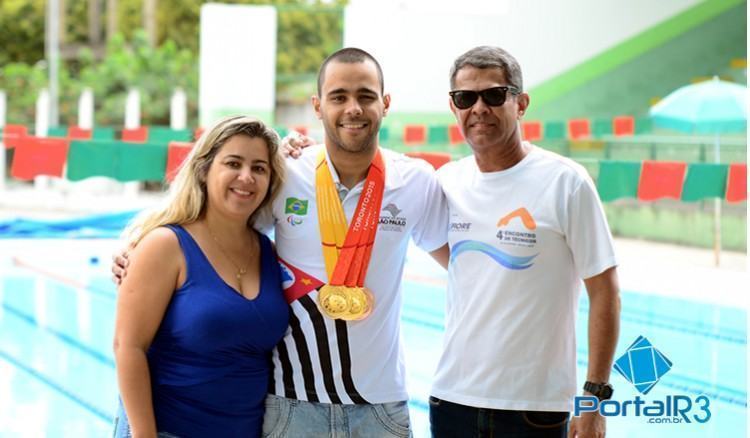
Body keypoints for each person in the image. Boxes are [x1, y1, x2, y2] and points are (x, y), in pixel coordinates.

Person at [114, 48, 449, 437]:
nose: (353, 108)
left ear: (386, 104)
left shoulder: (416, 181)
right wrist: (133, 249)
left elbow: (463, 265)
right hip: (292, 407)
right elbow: (204, 219)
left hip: (378, 407)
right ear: (317, 106)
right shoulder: (288, 174)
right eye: (339, 96)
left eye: (366, 96)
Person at [428, 46, 620, 438]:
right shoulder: (446, 182)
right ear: (454, 108)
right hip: (452, 399)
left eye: (494, 95)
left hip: (535, 408)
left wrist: (594, 399)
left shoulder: (565, 182)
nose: (479, 108)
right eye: (466, 98)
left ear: (521, 103)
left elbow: (605, 292)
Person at [112, 115, 289, 438]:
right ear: (205, 169)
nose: (246, 177)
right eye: (233, 163)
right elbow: (128, 347)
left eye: (259, 168)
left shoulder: (269, 252)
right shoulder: (166, 245)